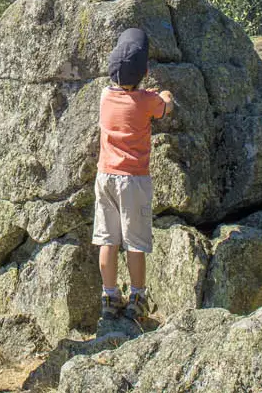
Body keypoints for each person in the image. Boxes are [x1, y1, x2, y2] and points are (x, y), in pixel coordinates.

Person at [93, 28, 173, 321]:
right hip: (134, 180)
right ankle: (138, 295)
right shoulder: (147, 100)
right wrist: (166, 94)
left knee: (107, 239)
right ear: (145, 71)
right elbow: (165, 107)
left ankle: (109, 295)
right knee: (136, 242)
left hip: (105, 177)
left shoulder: (104, 97)